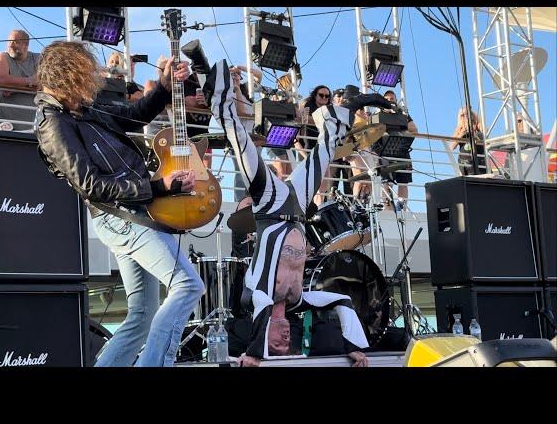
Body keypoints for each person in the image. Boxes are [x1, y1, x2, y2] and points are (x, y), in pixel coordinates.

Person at [34, 41, 204, 367]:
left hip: (129, 212)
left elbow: (133, 115)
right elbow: (90, 185)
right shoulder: (52, 123)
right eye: (84, 76)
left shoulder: (81, 107)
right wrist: (157, 186)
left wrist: (165, 88)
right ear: (68, 76)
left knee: (142, 315)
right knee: (187, 285)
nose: (91, 82)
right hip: (122, 215)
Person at [206, 60, 370, 367]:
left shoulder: (256, 293)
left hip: (269, 205)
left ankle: (214, 83)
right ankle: (343, 109)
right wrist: (354, 347)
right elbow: (342, 301)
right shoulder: (297, 301)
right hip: (296, 208)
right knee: (325, 150)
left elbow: (263, 303)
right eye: (286, 342)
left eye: (276, 342)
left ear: (264, 331)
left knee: (241, 142)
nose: (284, 338)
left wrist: (254, 354)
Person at [0, 30, 40, 131]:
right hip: (5, 125)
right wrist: (30, 81)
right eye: (9, 41)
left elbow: (44, 85)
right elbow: (2, 81)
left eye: (14, 42)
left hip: (33, 126)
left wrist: (13, 88)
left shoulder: (38, 59)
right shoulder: (1, 56)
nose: (10, 45)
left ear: (26, 44)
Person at [380, 90, 417, 205]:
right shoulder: (378, 114)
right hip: (386, 151)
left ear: (396, 100)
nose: (390, 101)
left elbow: (414, 130)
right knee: (387, 182)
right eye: (387, 99)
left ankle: (402, 209)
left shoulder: (403, 115)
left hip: (403, 150)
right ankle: (388, 209)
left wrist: (400, 123)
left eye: (392, 99)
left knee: (403, 182)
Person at [449, 105, 486, 176]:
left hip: (479, 160)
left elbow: (485, 133)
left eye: (466, 114)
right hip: (465, 161)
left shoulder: (478, 126)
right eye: (462, 115)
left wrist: (475, 129)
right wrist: (461, 134)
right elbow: (452, 147)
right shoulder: (459, 129)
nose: (464, 117)